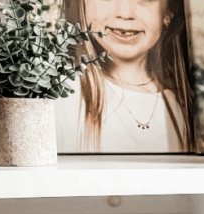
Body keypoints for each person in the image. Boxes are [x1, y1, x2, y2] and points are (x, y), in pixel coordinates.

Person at [57, 0, 195, 152]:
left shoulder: (189, 107)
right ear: (81, 5)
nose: (125, 13)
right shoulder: (59, 92)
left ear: (168, 12)